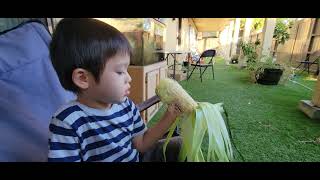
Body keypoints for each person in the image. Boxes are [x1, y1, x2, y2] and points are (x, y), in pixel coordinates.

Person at [48, 18, 182, 162]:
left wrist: (169, 117)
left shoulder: (127, 106)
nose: (129, 78)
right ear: (83, 79)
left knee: (179, 145)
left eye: (127, 69)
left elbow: (142, 143)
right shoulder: (67, 122)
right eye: (120, 72)